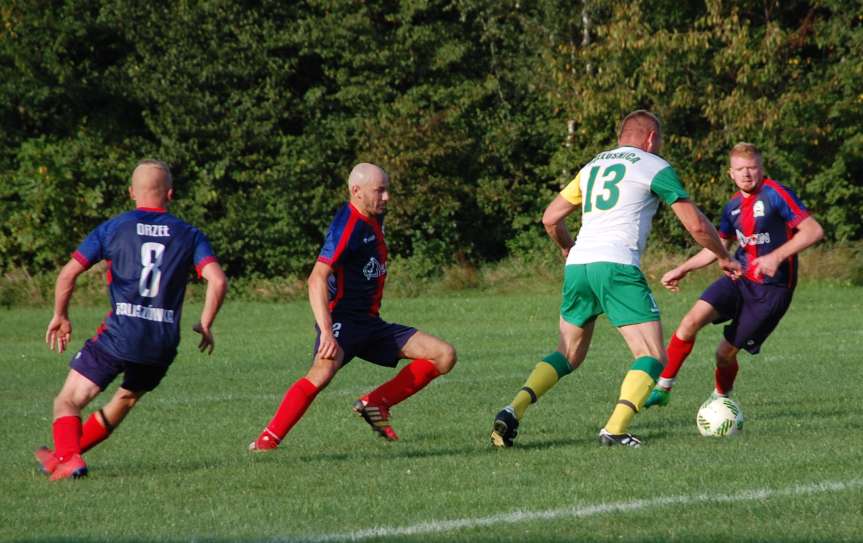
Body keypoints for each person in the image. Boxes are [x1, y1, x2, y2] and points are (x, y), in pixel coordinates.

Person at [490, 110, 741, 448]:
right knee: (652, 355)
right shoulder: (654, 166)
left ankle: (513, 408)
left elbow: (550, 218)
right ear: (651, 138)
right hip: (617, 265)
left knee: (567, 355)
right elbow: (696, 225)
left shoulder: (592, 166)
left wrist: (567, 247)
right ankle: (616, 428)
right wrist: (723, 257)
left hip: (579, 266)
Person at [36, 159, 228, 480]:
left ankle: (69, 458)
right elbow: (218, 280)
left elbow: (69, 273)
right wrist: (205, 322)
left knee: (67, 400)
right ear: (170, 193)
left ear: (131, 193)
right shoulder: (189, 234)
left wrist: (61, 315)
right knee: (125, 398)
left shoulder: (114, 227)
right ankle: (65, 456)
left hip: (121, 334)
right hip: (162, 343)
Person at [248, 162, 456, 450]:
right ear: (356, 192)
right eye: (379, 191)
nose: (386, 198)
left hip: (370, 323)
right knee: (321, 374)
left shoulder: (373, 216)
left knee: (443, 355)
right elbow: (316, 279)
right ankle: (265, 443)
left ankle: (376, 404)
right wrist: (327, 334)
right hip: (342, 324)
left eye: (387, 190)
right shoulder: (349, 227)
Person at [643, 143, 823, 408]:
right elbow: (718, 248)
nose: (747, 174)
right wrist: (683, 268)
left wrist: (776, 257)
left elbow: (813, 231)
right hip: (739, 279)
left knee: (724, 354)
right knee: (689, 322)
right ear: (731, 173)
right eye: (740, 169)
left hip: (772, 291)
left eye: (752, 168)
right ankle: (663, 387)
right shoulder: (733, 207)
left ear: (762, 169)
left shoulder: (777, 194)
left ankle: (720, 401)